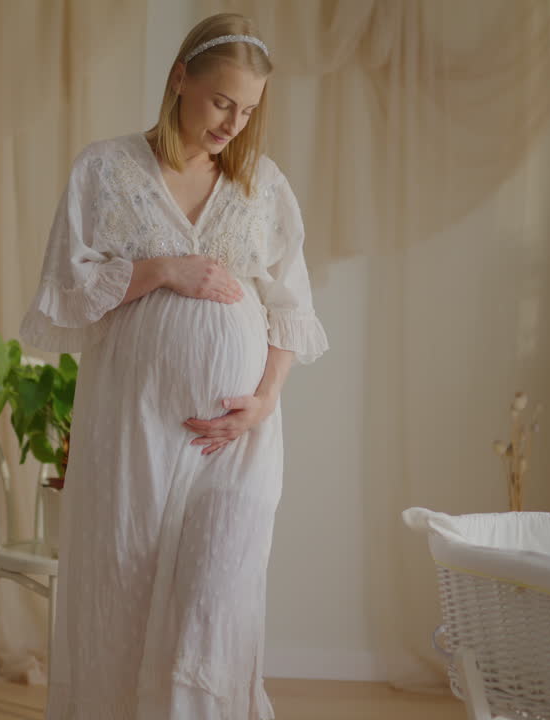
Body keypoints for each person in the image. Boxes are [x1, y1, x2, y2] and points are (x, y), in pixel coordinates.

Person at [20, 12, 328, 720]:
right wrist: (165, 270)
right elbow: (66, 292)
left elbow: (290, 307)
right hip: (132, 430)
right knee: (120, 603)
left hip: (236, 439)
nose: (233, 122)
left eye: (247, 109)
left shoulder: (262, 186)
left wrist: (266, 400)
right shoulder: (104, 169)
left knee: (215, 610)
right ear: (180, 77)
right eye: (223, 101)